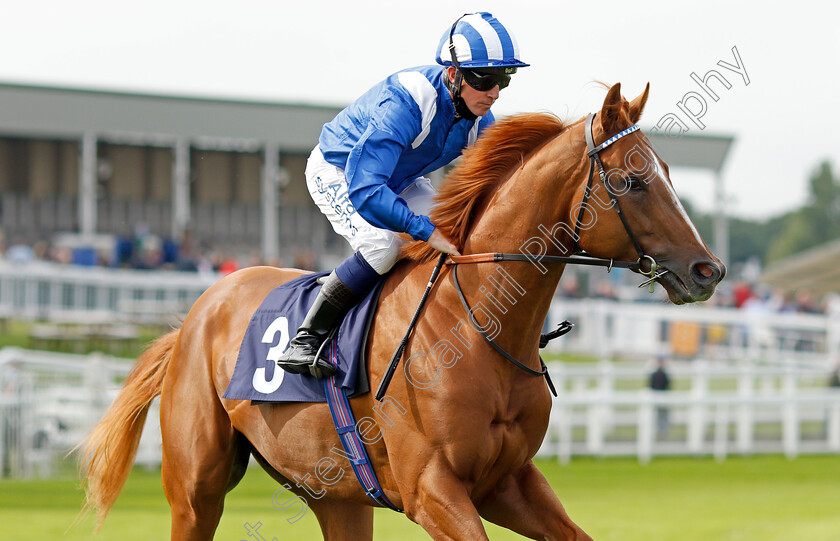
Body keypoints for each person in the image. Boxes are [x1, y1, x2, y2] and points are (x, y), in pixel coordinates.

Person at [277, 12, 529, 377]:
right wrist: (422, 229)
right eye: (484, 78)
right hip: (341, 171)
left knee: (466, 233)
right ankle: (307, 338)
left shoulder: (479, 120)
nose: (494, 91)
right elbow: (366, 188)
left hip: (401, 178)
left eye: (504, 80)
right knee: (383, 245)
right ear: (454, 73)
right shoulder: (408, 102)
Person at [649, 356, 671, 435]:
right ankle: (661, 429)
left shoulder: (655, 373)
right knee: (660, 414)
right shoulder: (663, 374)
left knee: (660, 414)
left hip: (660, 396)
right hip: (660, 396)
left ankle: (660, 429)